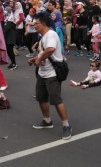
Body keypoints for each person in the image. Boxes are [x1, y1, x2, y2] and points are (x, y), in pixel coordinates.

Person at [28, 12, 72, 140]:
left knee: (56, 100)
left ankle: (66, 126)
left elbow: (51, 49)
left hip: (52, 73)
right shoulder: (43, 37)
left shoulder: (51, 34)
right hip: (42, 72)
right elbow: (44, 52)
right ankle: (47, 121)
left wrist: (39, 58)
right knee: (41, 98)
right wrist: (34, 59)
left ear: (44, 23)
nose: (34, 26)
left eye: (36, 24)